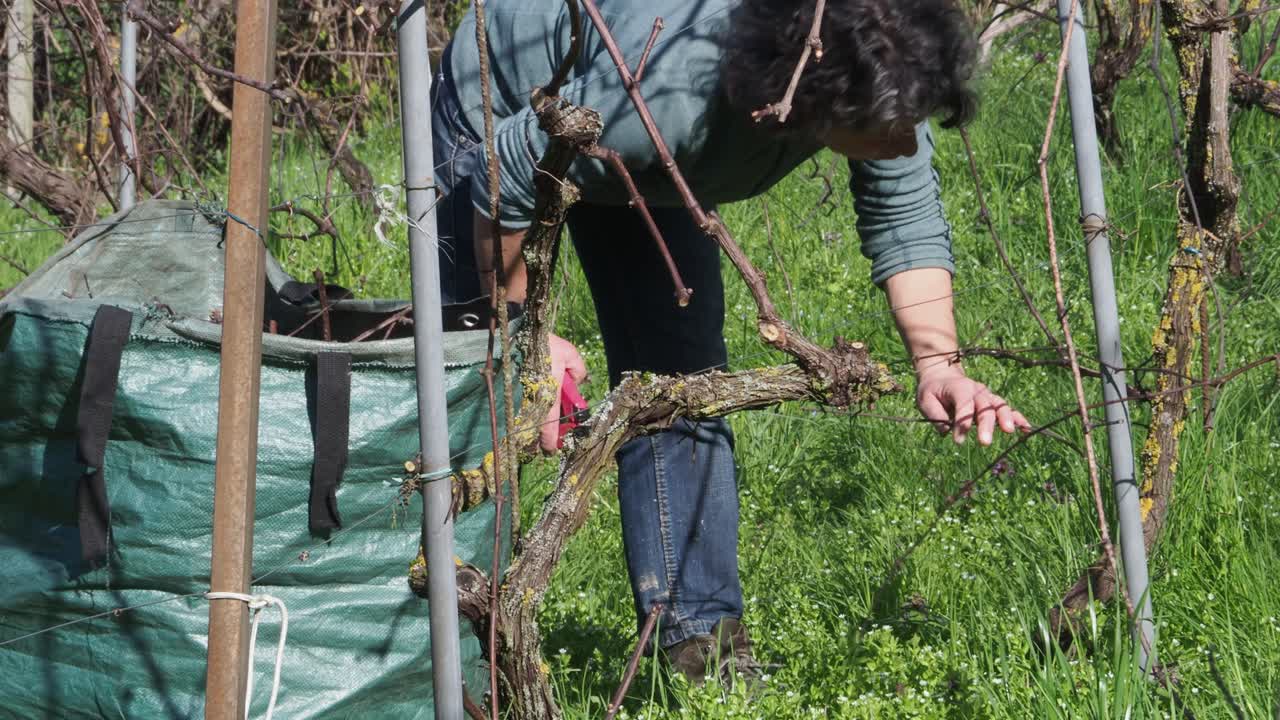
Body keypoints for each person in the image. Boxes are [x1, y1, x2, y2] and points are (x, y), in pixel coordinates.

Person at [431, 0, 1030, 686]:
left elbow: (904, 205)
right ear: (813, 98)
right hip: (508, 104)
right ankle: (448, 656)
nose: (905, 143)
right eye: (893, 130)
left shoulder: (872, 73)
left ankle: (700, 650)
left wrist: (939, 364)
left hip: (638, 142)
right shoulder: (671, 96)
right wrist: (524, 336)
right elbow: (503, 171)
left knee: (678, 383)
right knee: (479, 383)